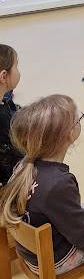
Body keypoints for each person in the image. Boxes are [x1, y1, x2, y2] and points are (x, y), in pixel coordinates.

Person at [0, 94, 84, 274]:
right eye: (78, 118)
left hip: (35, 251)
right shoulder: (59, 184)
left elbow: (71, 216)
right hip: (56, 259)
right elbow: (82, 234)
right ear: (68, 134)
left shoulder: (23, 166)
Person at [0, 44, 22, 186]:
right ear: (3, 76)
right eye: (16, 66)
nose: (19, 72)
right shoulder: (3, 120)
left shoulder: (5, 100)